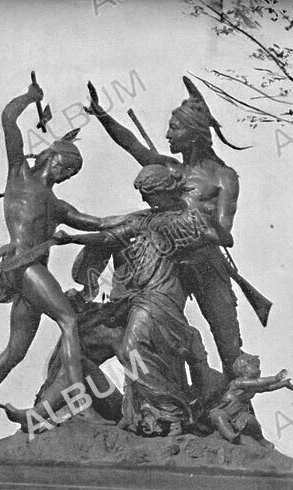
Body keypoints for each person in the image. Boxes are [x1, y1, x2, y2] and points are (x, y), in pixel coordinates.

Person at [0, 76, 111, 440]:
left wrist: (138, 218)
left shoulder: (57, 205)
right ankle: (81, 406)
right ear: (52, 155)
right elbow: (9, 120)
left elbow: (100, 223)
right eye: (66, 167)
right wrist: (30, 97)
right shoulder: (18, 176)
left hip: (28, 275)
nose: (66, 175)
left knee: (15, 351)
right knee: (69, 320)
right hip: (24, 267)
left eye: (71, 174)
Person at [85, 76, 270, 380]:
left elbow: (226, 234)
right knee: (147, 331)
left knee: (228, 344)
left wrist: (194, 225)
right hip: (164, 265)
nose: (168, 134)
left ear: (195, 134)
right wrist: (102, 115)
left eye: (175, 128)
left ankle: (239, 409)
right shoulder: (170, 169)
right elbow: (131, 144)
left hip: (205, 263)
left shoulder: (224, 177)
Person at [51, 163, 224, 437]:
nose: (144, 199)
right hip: (139, 298)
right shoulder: (142, 219)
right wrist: (71, 237)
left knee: (134, 349)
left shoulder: (182, 219)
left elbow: (221, 237)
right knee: (143, 354)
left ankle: (171, 411)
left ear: (164, 190)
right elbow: (108, 231)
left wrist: (195, 224)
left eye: (148, 193)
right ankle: (153, 415)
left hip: (161, 297)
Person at [207, 354, 293, 445]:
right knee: (218, 416)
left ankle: (261, 440)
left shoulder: (252, 386)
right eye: (256, 367)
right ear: (244, 369)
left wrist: (283, 384)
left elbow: (268, 387)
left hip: (239, 416)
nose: (259, 370)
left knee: (252, 422)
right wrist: (276, 378)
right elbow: (258, 382)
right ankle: (231, 436)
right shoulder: (239, 382)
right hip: (224, 412)